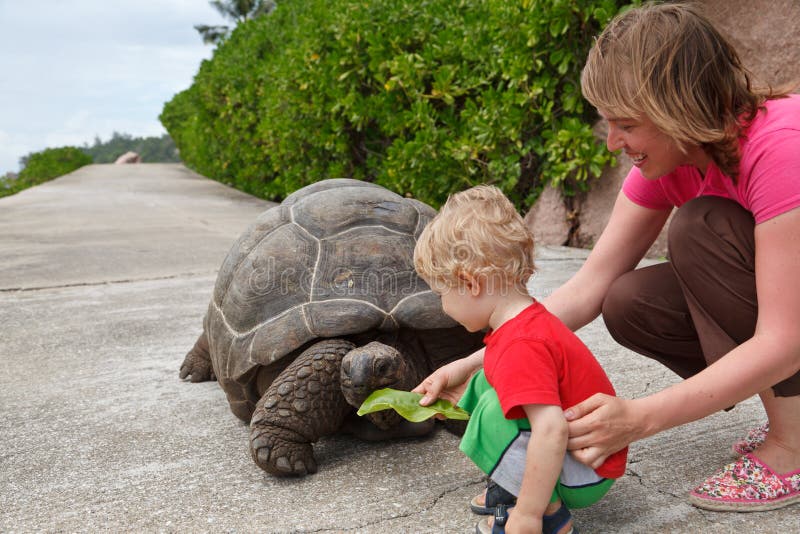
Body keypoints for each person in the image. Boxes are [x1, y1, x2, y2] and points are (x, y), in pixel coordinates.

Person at [415, 1, 800, 513]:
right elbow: (590, 286)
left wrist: (642, 417)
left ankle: (792, 447)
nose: (614, 142)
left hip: (791, 331)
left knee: (700, 228)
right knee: (630, 300)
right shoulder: (673, 159)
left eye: (626, 125)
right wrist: (476, 363)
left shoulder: (780, 151)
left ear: (679, 109)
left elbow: (785, 338)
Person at [413, 185, 627, 534]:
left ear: (470, 284)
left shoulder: (521, 344)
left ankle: (547, 513)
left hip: (585, 470)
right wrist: (458, 381)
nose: (442, 306)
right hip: (591, 455)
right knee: (486, 382)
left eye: (441, 293)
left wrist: (528, 514)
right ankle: (520, 486)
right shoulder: (524, 322)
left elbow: (551, 428)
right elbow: (493, 369)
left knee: (492, 414)